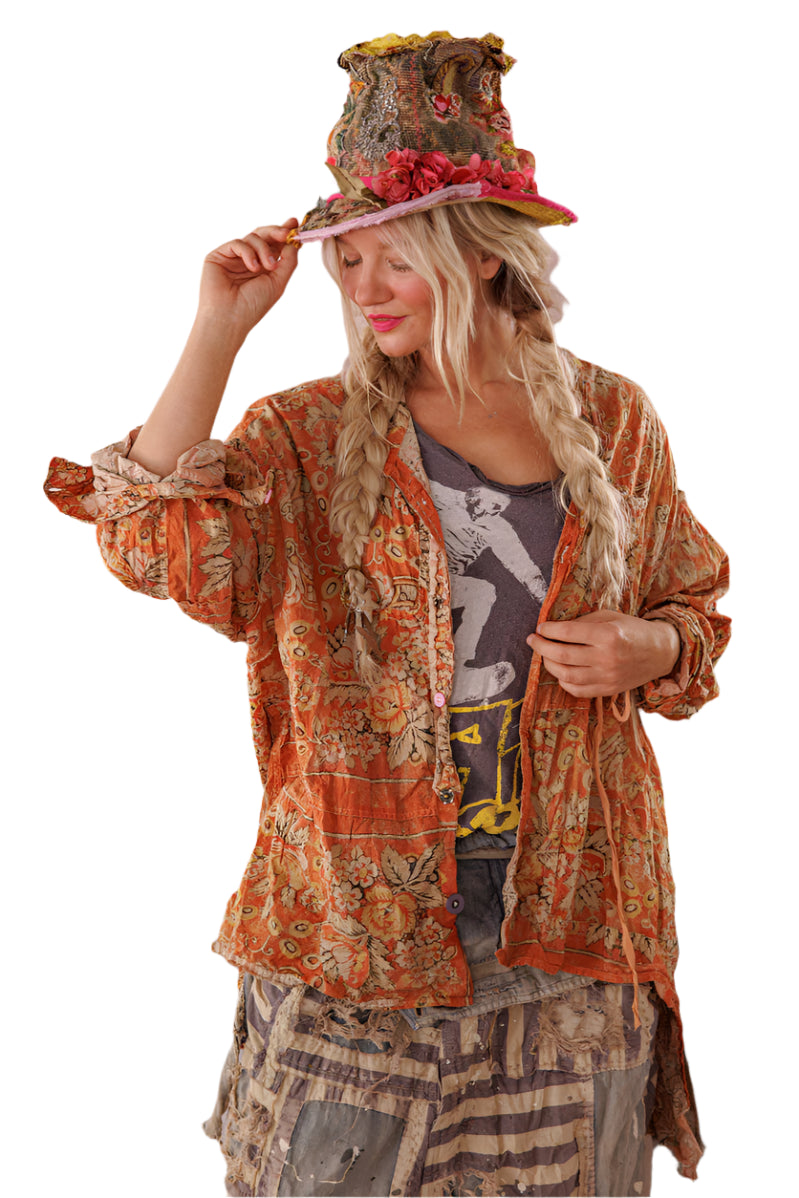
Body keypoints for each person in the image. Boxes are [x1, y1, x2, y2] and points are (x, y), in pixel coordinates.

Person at [44, 31, 730, 1198]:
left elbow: (692, 607)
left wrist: (650, 645)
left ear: (480, 253)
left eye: (392, 258)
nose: (362, 290)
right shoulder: (303, 435)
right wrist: (219, 327)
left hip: (571, 927)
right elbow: (155, 548)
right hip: (356, 940)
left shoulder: (614, 419)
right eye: (346, 260)